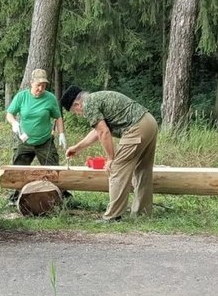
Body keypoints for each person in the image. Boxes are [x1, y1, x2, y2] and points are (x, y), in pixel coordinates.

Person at [60, 85, 158, 221]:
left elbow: (103, 132)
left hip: (136, 127)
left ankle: (113, 216)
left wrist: (111, 158)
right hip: (149, 122)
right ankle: (143, 214)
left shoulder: (88, 104)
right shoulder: (97, 98)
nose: (79, 114)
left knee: (117, 169)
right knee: (142, 170)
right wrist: (77, 147)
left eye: (75, 111)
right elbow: (97, 131)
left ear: (77, 104)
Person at [5, 69, 67, 203]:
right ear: (31, 83)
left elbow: (58, 117)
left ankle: (61, 196)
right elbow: (9, 114)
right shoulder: (22, 97)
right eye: (38, 85)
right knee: (18, 169)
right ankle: (16, 196)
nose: (40, 88)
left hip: (45, 141)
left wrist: (62, 134)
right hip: (25, 141)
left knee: (53, 170)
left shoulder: (50, 98)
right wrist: (14, 123)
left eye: (43, 86)